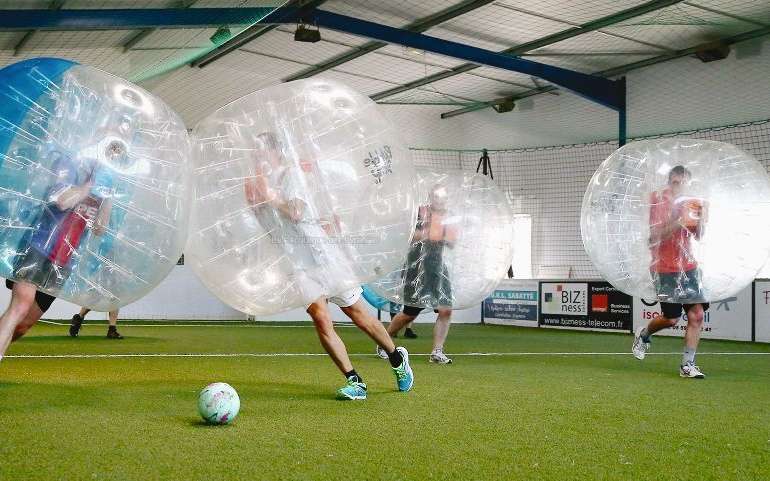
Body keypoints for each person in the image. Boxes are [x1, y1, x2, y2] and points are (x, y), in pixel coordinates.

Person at [244, 132, 413, 400]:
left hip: (324, 256)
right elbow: (266, 221)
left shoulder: (290, 176)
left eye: (259, 150)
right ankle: (354, 380)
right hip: (299, 265)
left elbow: (296, 212)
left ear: (274, 152)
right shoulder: (256, 183)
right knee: (322, 319)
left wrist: (270, 197)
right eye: (253, 151)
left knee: (358, 315)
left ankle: (396, 358)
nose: (255, 155)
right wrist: (256, 201)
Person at [1, 144, 112, 362]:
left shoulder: (105, 185)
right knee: (20, 306)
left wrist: (107, 198)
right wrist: (88, 186)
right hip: (37, 247)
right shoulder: (70, 165)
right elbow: (62, 201)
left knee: (24, 325)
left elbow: (99, 229)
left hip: (63, 263)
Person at [633, 165, 709, 378]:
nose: (679, 186)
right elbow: (654, 236)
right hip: (664, 267)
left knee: (697, 315)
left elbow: (699, 235)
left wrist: (701, 218)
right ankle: (644, 333)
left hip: (689, 266)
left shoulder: (691, 202)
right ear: (670, 182)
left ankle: (687, 365)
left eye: (683, 183)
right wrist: (679, 221)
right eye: (675, 182)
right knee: (671, 319)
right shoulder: (659, 200)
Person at [378, 184, 457, 364]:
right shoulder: (420, 212)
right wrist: (427, 233)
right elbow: (406, 234)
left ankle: (437, 352)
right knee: (410, 313)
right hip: (417, 267)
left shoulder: (448, 217)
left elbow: (452, 243)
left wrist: (446, 235)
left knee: (445, 310)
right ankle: (383, 341)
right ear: (430, 197)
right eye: (436, 196)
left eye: (442, 196)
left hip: (438, 268)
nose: (439, 200)